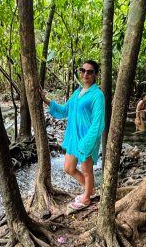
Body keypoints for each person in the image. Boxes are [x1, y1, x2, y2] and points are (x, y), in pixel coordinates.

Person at [41, 60, 105, 211]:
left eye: (90, 71)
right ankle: (91, 191)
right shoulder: (77, 93)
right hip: (73, 137)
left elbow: (98, 123)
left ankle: (87, 198)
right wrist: (45, 100)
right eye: (83, 70)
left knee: (87, 171)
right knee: (69, 168)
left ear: (95, 74)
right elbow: (64, 110)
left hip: (86, 138)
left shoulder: (97, 95)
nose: (85, 74)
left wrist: (86, 142)